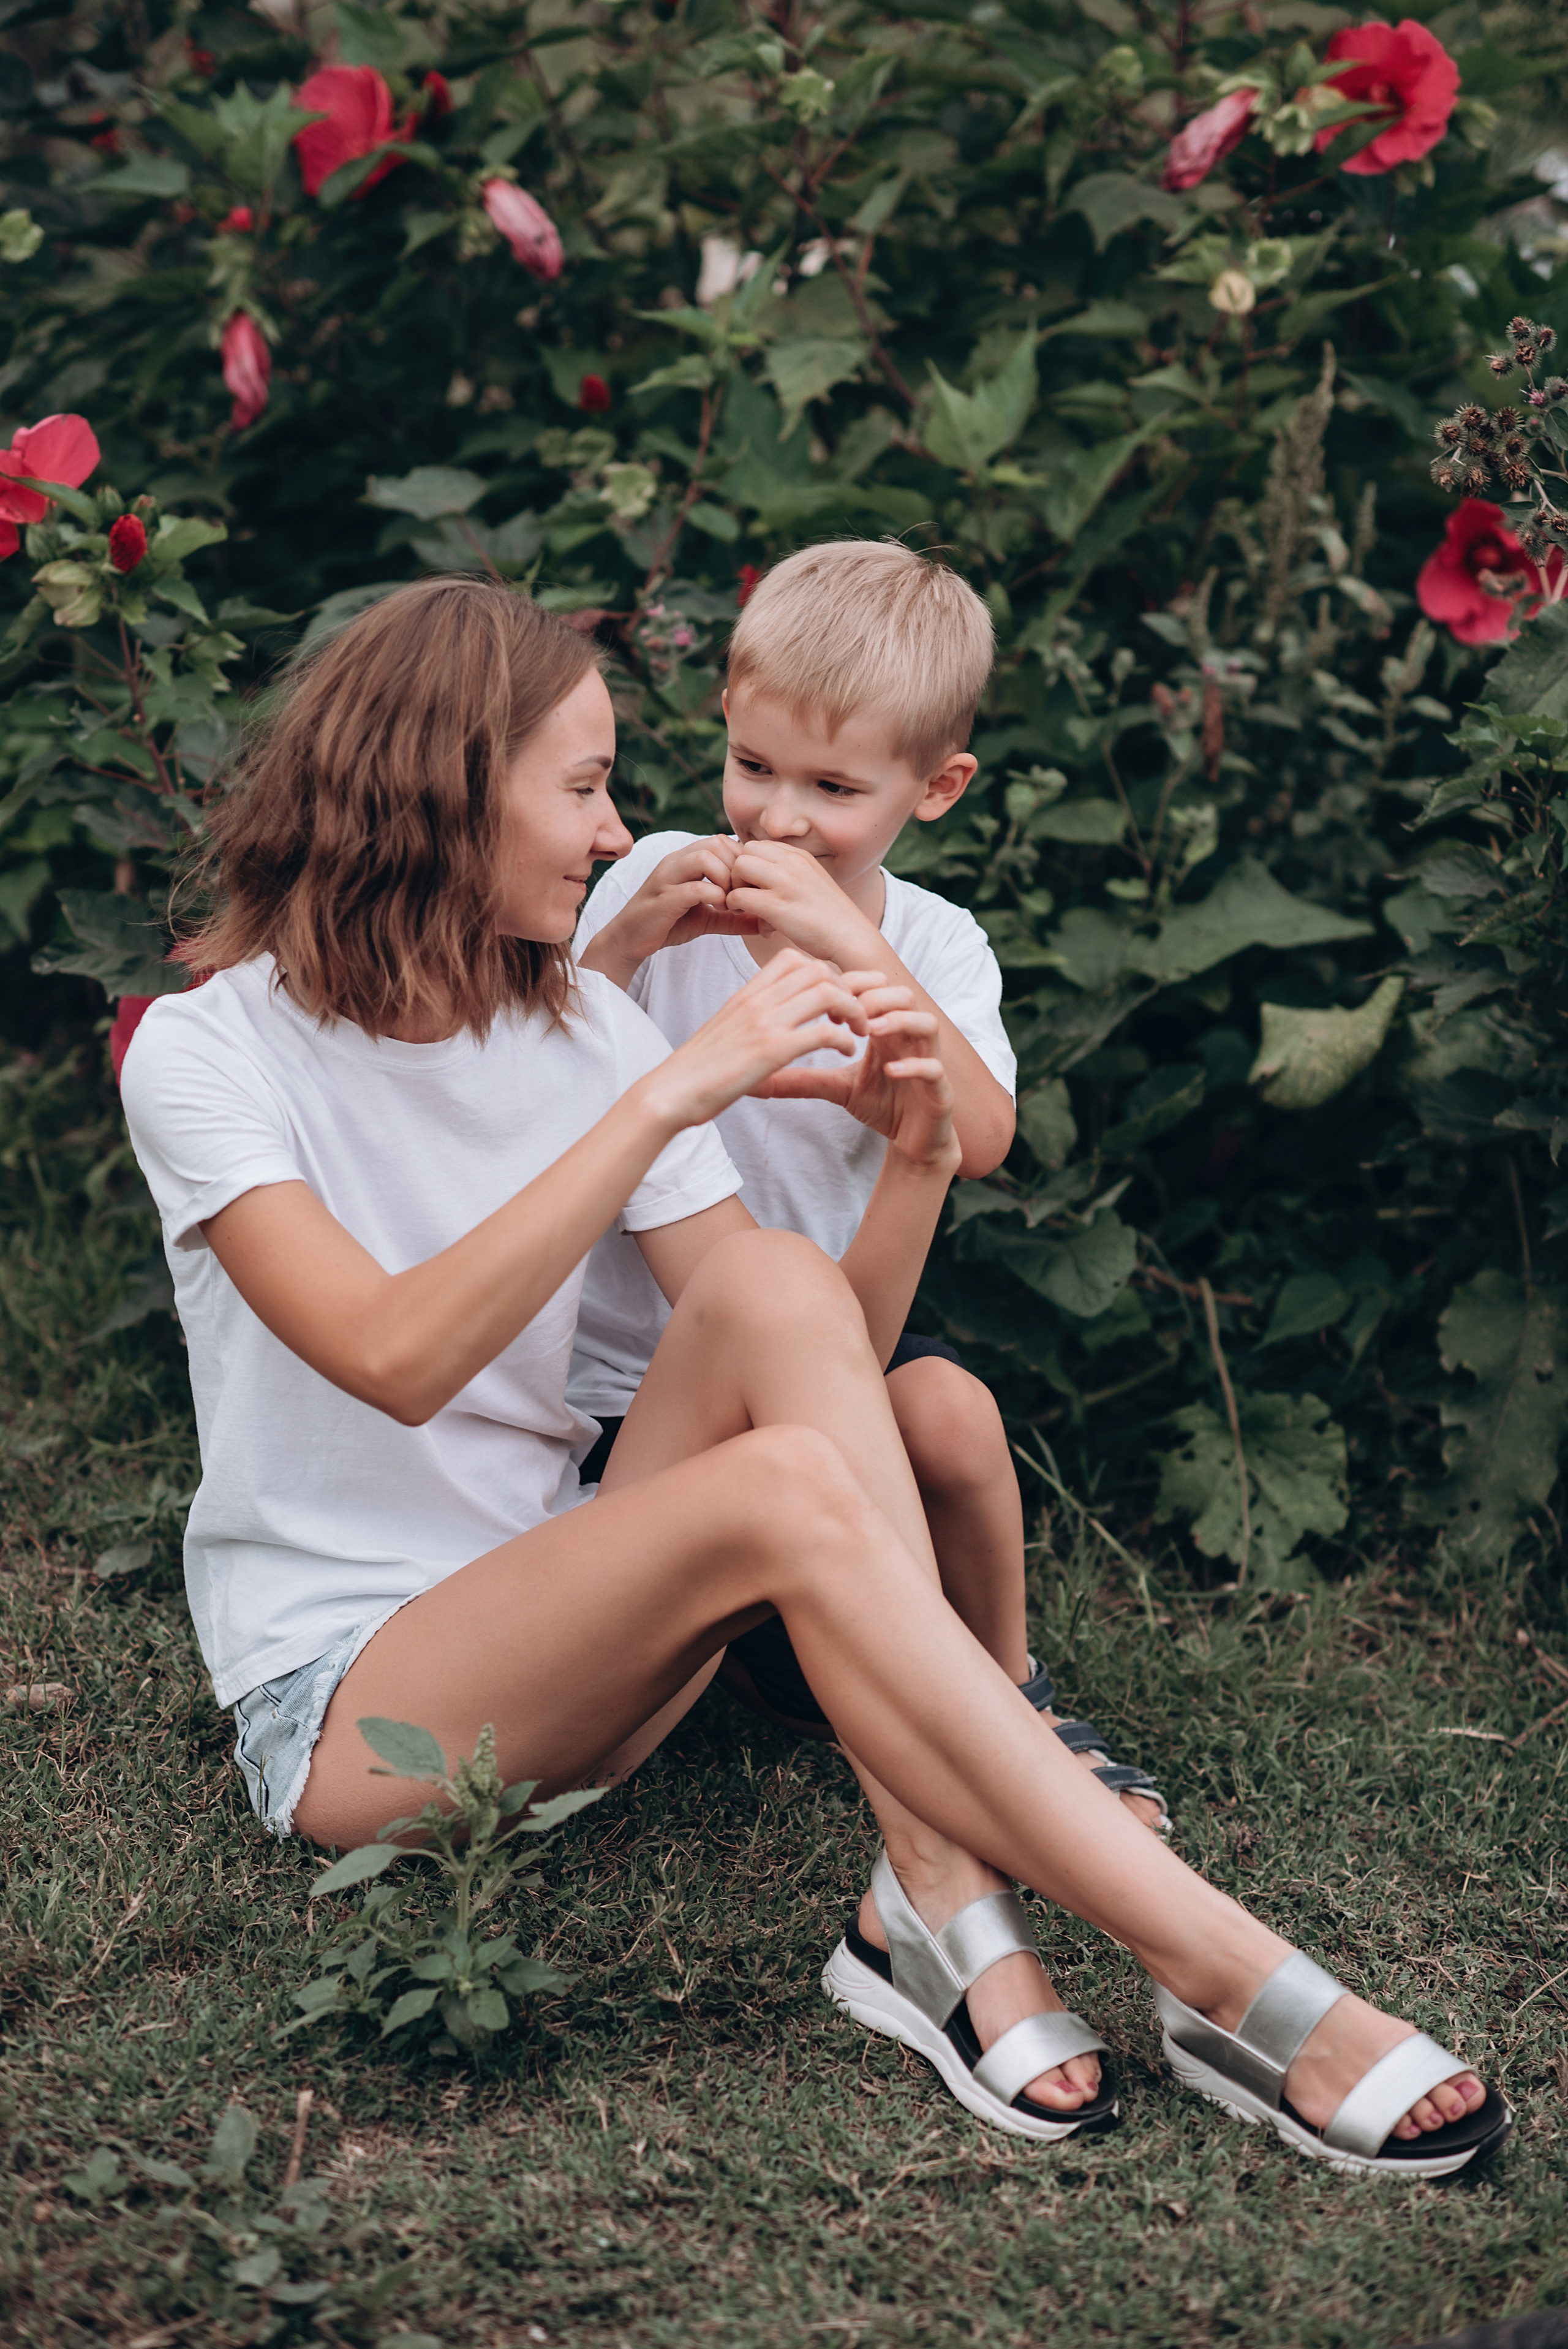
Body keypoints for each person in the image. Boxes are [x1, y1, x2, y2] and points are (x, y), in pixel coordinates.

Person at [120, 578, 1509, 2174]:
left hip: (594, 1630)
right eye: (580, 786)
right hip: (364, 1708)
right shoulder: (208, 1050)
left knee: (778, 1282)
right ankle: (1220, 1970)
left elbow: (804, 1351)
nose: (614, 829)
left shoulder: (577, 1025)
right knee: (777, 1481)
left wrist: (914, 1150)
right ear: (442, 790)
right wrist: (654, 1102)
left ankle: (934, 1890)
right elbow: (397, 1356)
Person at [571, 539, 1166, 1829]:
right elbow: (534, 1071)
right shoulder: (650, 886)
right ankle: (801, 1669)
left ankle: (1009, 1685)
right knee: (761, 1603)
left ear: (933, 788)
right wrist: (621, 940)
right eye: (753, 769)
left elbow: (987, 1134)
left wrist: (850, 943)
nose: (777, 819)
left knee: (950, 1409)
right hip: (635, 1389)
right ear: (723, 721)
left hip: (850, 1333)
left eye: (832, 787)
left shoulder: (932, 944)